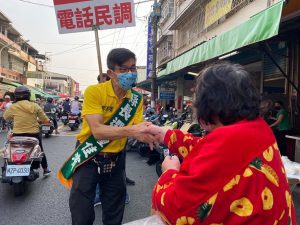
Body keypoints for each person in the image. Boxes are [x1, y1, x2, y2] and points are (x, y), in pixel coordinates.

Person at [145, 62, 296, 225]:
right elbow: (206, 148)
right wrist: (165, 134)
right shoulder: (258, 128)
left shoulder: (229, 141)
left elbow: (176, 208)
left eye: (196, 97)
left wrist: (169, 172)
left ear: (210, 103)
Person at [58, 48, 155, 225]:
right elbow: (98, 131)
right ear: (111, 73)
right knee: (82, 213)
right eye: (124, 70)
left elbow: (137, 127)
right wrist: (133, 131)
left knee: (114, 212)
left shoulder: (136, 98)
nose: (130, 74)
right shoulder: (94, 92)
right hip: (89, 157)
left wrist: (150, 134)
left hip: (116, 159)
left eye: (133, 69)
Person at [3, 86, 51, 176]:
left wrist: (14, 118)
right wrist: (46, 122)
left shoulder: (13, 106)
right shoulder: (35, 105)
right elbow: (45, 120)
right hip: (33, 134)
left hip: (17, 134)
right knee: (40, 150)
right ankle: (45, 169)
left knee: (8, 147)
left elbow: (6, 117)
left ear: (15, 96)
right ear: (29, 95)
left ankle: (5, 168)